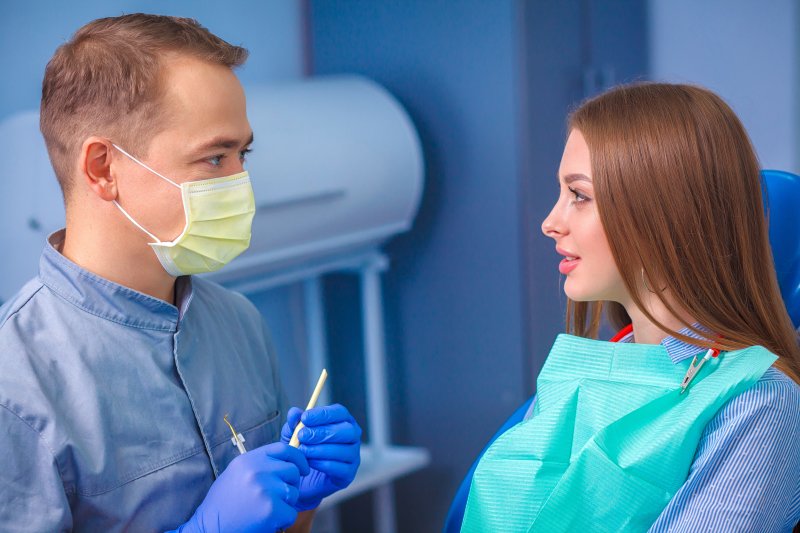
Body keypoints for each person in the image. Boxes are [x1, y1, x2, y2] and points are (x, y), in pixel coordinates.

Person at [0, 13, 361, 533]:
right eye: (214, 159)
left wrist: (305, 498)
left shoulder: (237, 323)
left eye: (243, 153)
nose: (242, 182)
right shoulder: (18, 390)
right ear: (103, 168)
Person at [460, 83, 800, 532]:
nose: (550, 223)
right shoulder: (582, 374)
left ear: (665, 212)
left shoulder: (758, 405)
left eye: (579, 196)